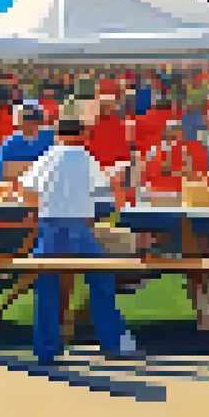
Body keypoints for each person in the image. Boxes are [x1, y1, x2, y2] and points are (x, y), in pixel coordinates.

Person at [17, 118, 138, 364]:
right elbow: (104, 193)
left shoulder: (46, 158)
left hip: (50, 227)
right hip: (79, 228)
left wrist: (41, 206)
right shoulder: (86, 158)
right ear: (82, 134)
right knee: (102, 281)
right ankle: (115, 343)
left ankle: (46, 349)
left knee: (47, 288)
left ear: (57, 135)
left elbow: (25, 191)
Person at [0, 102, 54, 181]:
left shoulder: (49, 138)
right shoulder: (11, 144)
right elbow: (5, 173)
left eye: (32, 118)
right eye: (25, 118)